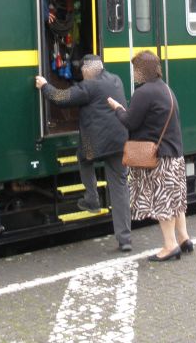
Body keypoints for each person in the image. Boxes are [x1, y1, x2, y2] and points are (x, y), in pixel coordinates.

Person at [34, 55, 132, 252]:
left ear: (88, 70)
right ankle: (125, 240)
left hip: (94, 144)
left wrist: (44, 85)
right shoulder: (116, 79)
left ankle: (92, 199)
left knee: (83, 158)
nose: (81, 73)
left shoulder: (88, 86)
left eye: (82, 70)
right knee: (120, 188)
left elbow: (61, 98)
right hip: (121, 141)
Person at [107, 50, 191, 262]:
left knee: (163, 202)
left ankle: (170, 246)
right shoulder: (165, 89)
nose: (134, 74)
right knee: (175, 200)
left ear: (143, 71)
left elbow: (129, 122)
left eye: (136, 69)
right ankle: (184, 238)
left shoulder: (144, 92)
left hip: (159, 158)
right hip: (174, 154)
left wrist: (117, 108)